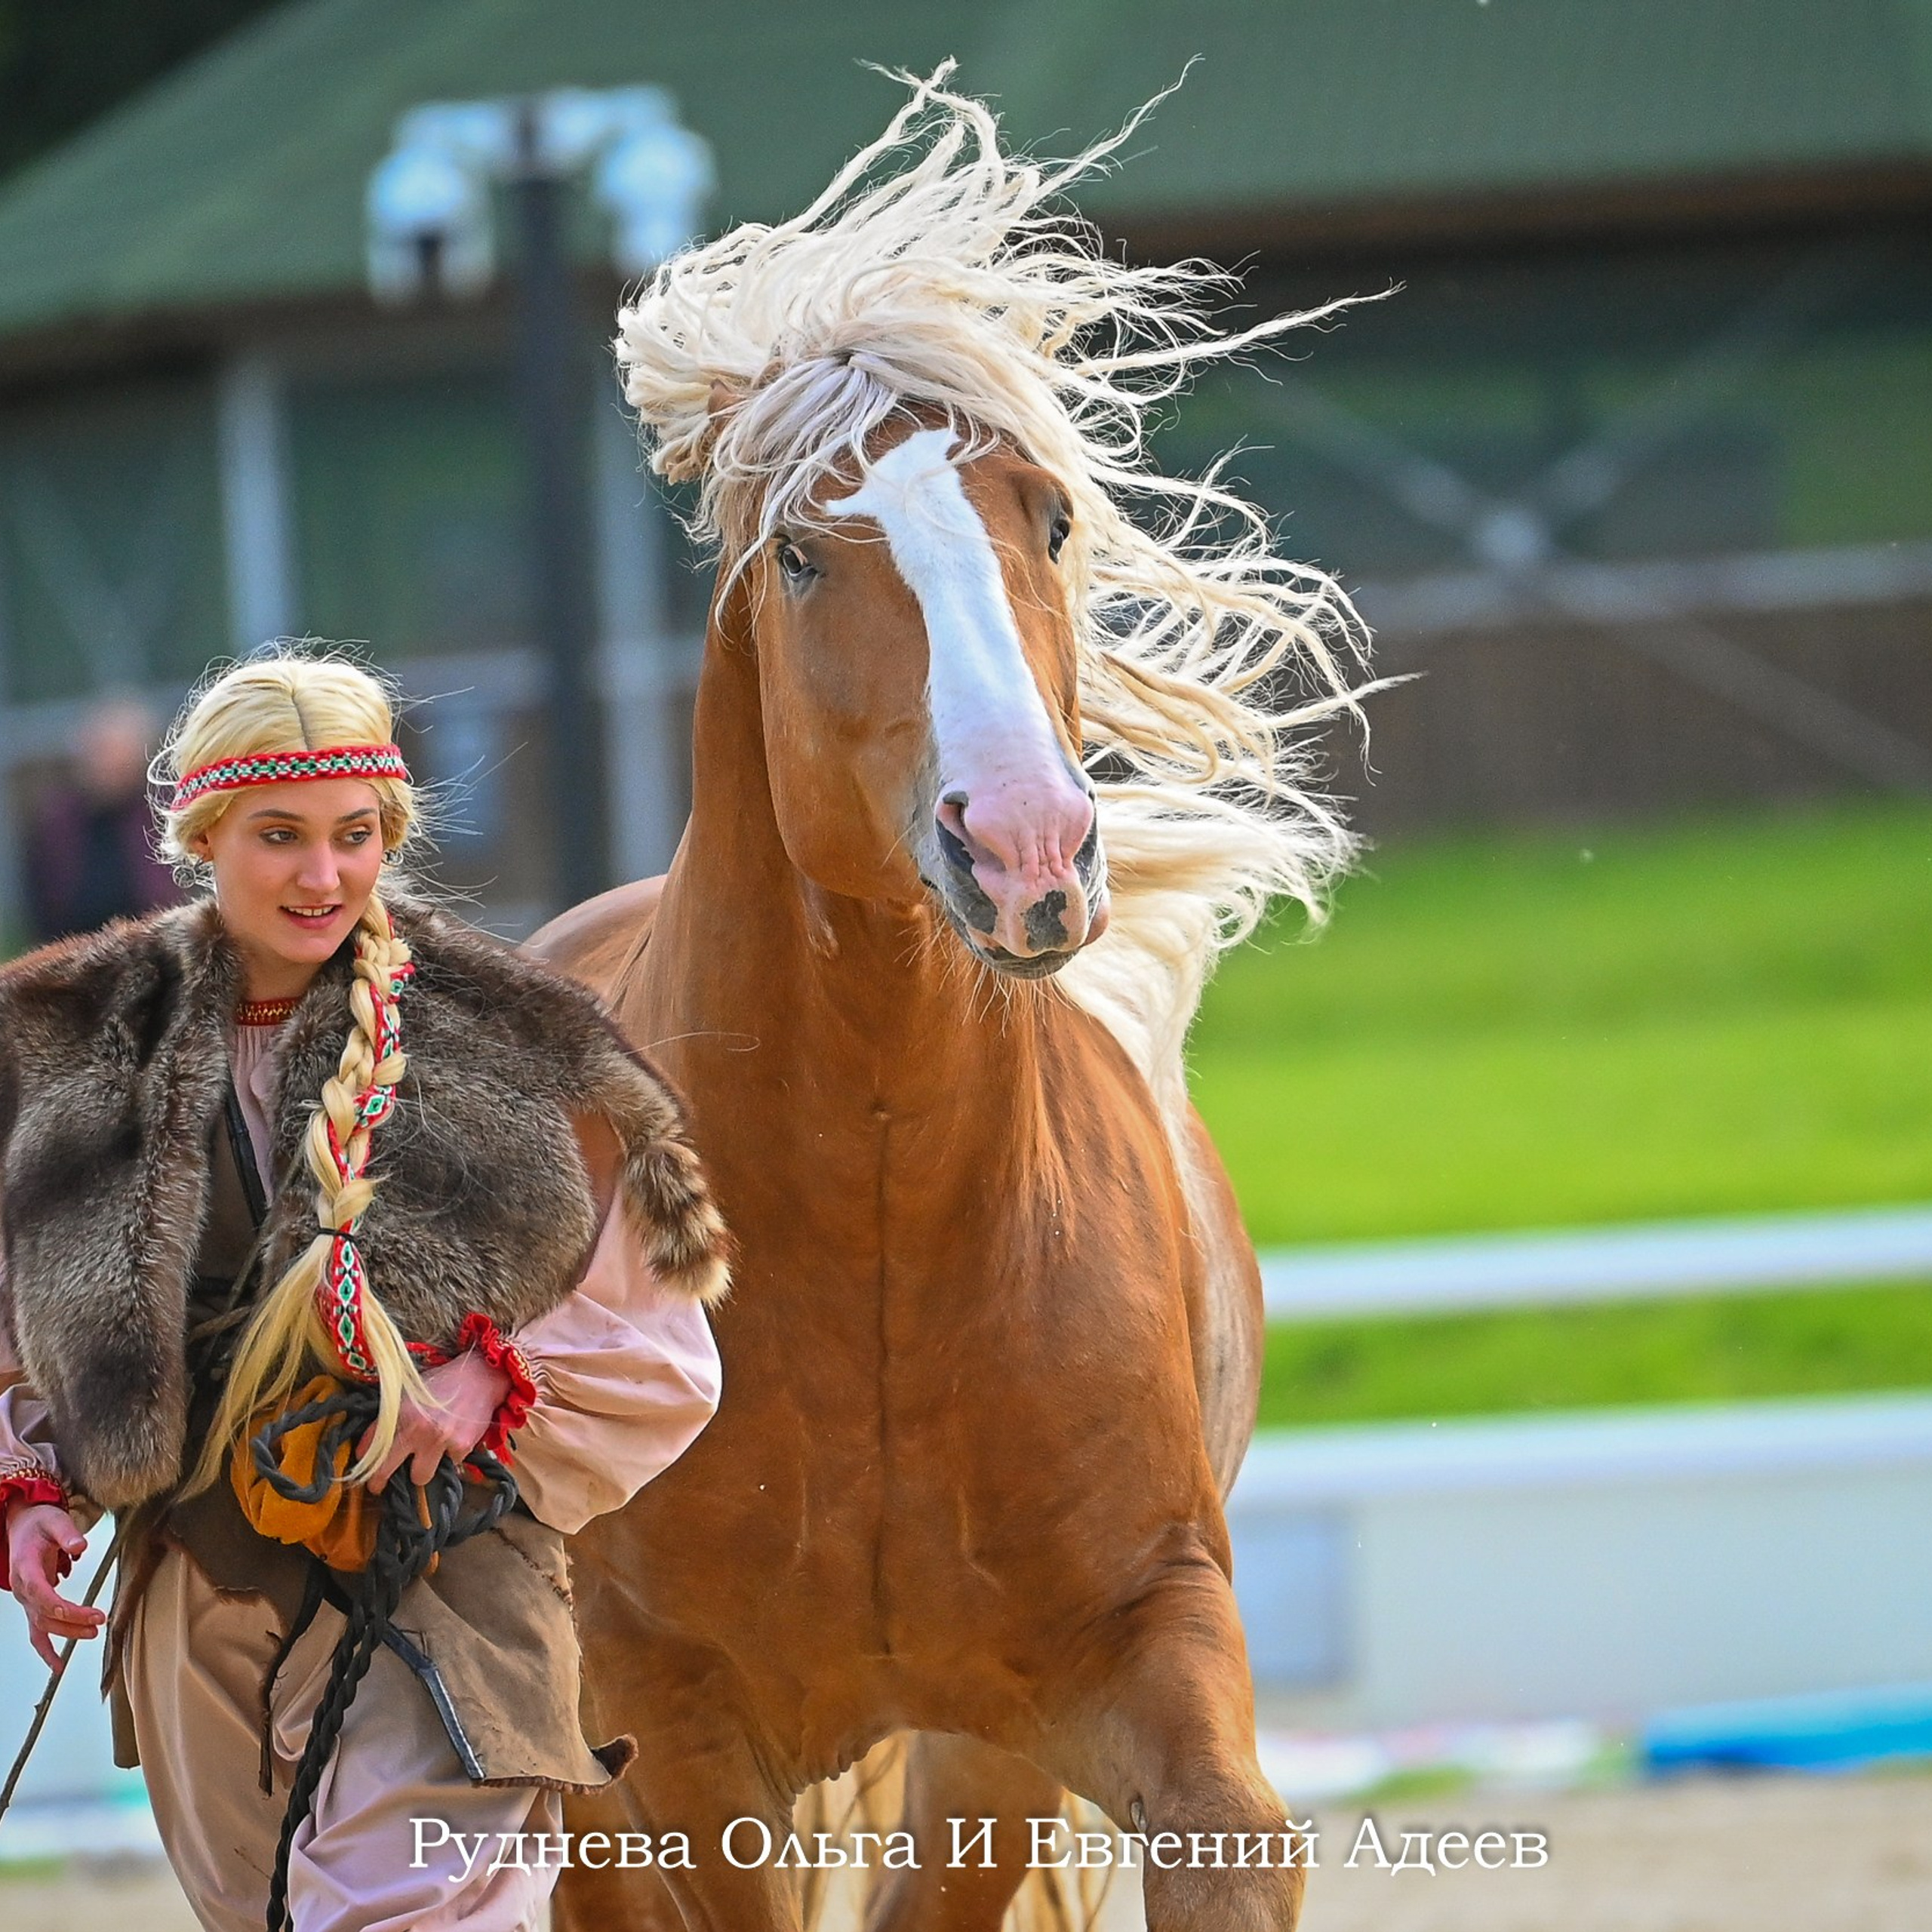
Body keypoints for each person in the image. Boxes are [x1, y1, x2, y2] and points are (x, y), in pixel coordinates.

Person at [0, 650, 729, 1932]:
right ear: (200, 835)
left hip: (445, 1588)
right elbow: (24, 1336)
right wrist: (29, 1495)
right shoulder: (69, 1046)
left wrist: (497, 1377)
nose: (324, 875)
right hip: (195, 1617)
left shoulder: (510, 1044)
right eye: (280, 836)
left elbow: (666, 1348)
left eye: (354, 837)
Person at [23, 694, 180, 941]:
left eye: (115, 751)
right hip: (71, 953)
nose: (106, 762)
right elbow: (41, 901)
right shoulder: (58, 822)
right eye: (99, 750)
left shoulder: (161, 816)